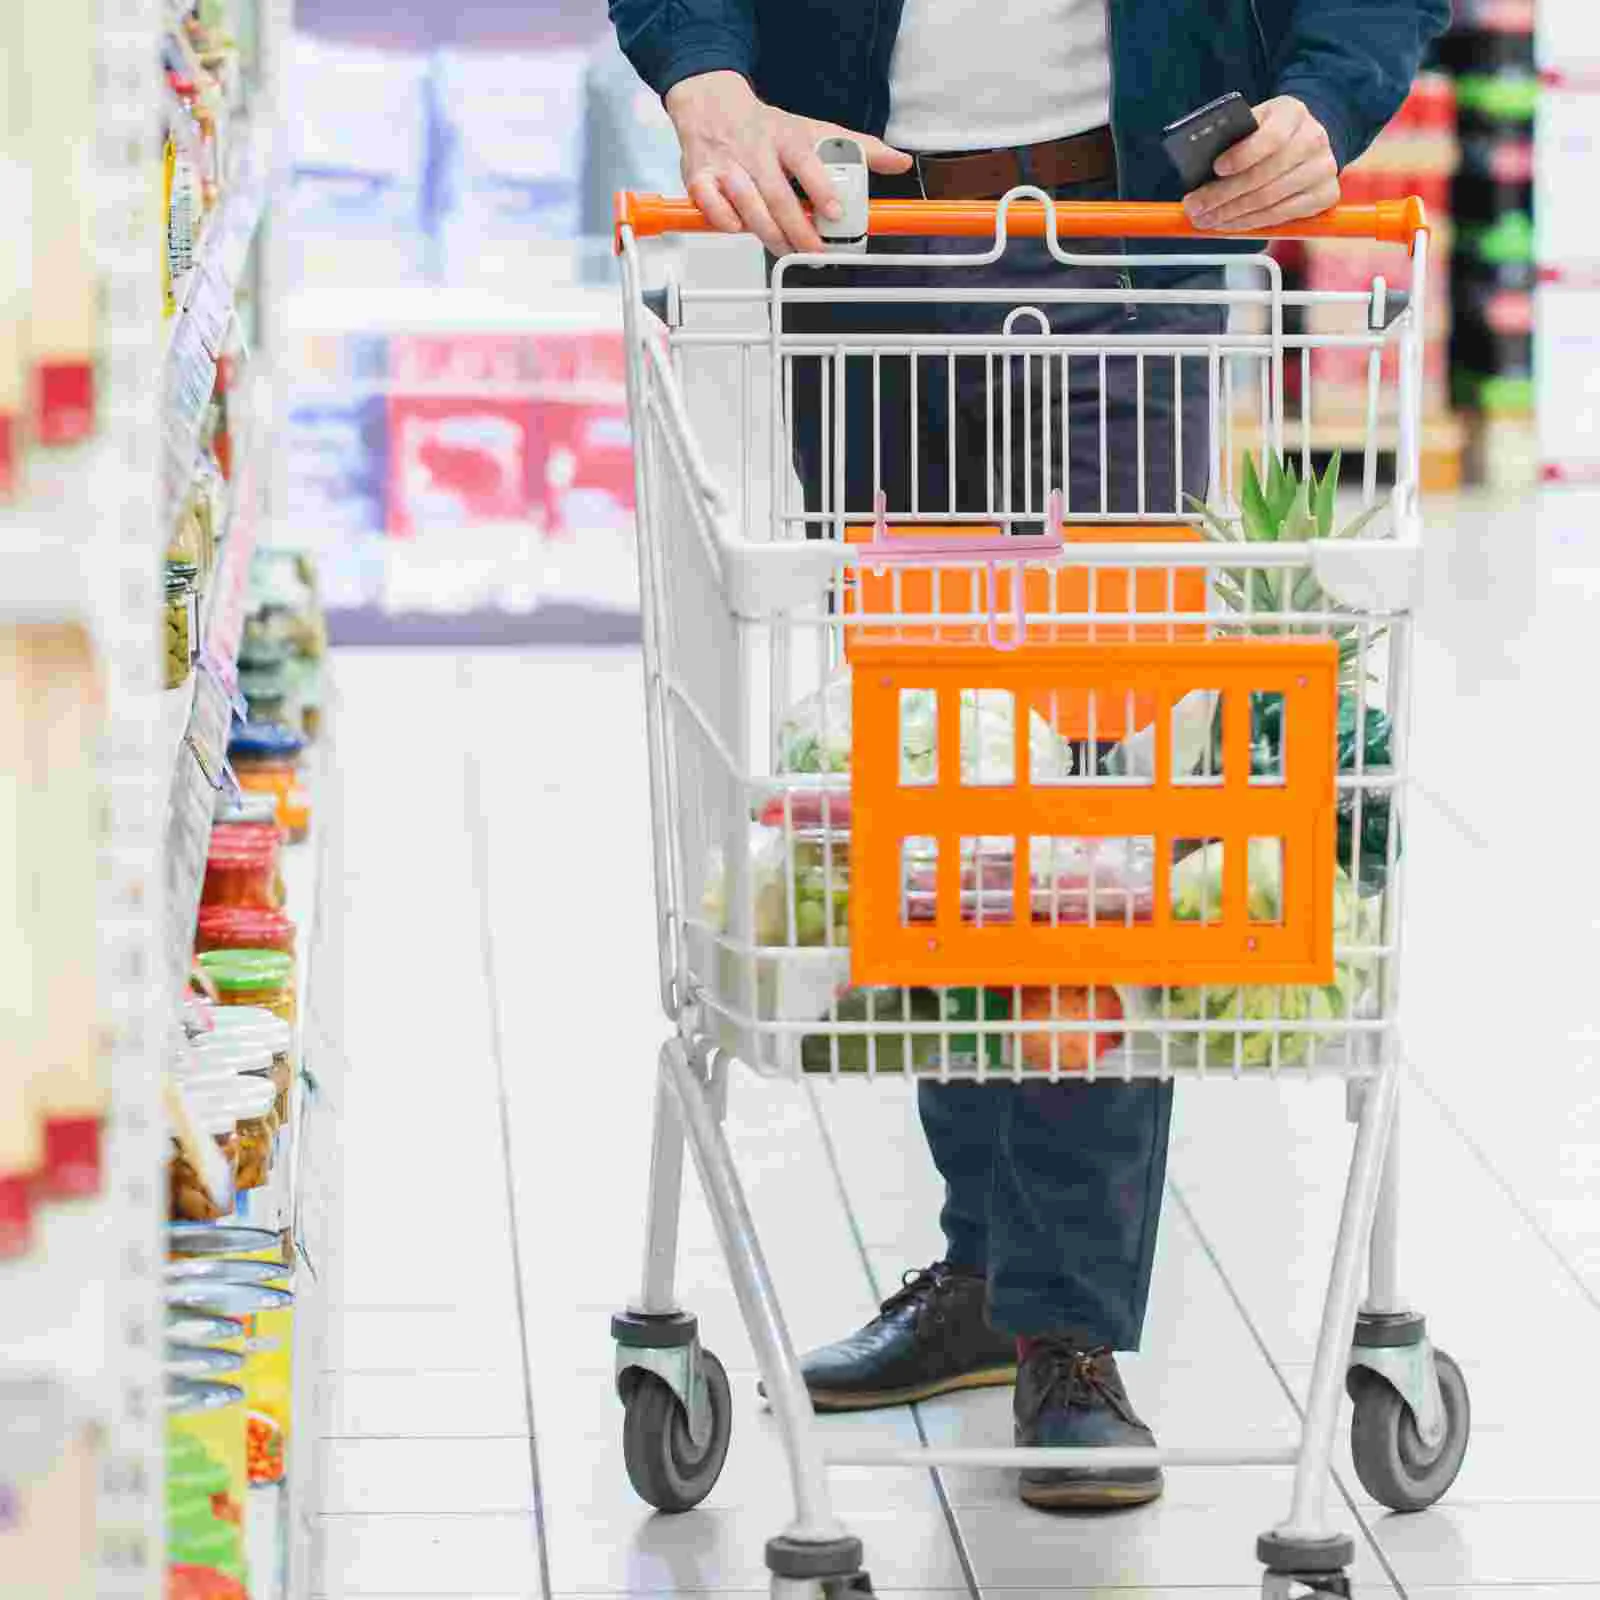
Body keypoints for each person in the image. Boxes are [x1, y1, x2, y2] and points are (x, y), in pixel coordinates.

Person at [610, 0, 1448, 1514]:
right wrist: (707, 78)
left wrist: (1335, 92)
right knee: (937, 760)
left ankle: (1069, 1322)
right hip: (862, 237)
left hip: (1131, 232)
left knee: (1094, 768)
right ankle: (989, 1264)